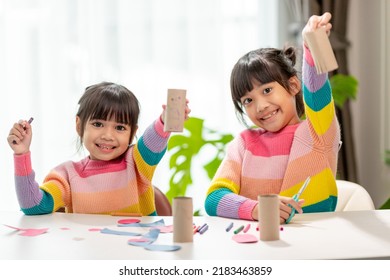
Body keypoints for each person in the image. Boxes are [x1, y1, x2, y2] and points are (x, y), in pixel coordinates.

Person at [205, 12, 340, 223]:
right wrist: (257, 209)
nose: (260, 106)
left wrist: (310, 45)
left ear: (294, 85)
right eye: (247, 101)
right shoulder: (244, 144)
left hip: (313, 247)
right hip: (259, 246)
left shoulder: (317, 132)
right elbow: (214, 199)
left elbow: (316, 92)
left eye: (267, 90)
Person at [7, 82, 191, 215]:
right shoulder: (67, 175)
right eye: (98, 124)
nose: (108, 135)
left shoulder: (137, 161)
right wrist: (22, 154)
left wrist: (164, 122)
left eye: (120, 128)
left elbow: (153, 141)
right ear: (79, 125)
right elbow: (33, 206)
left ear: (132, 132)